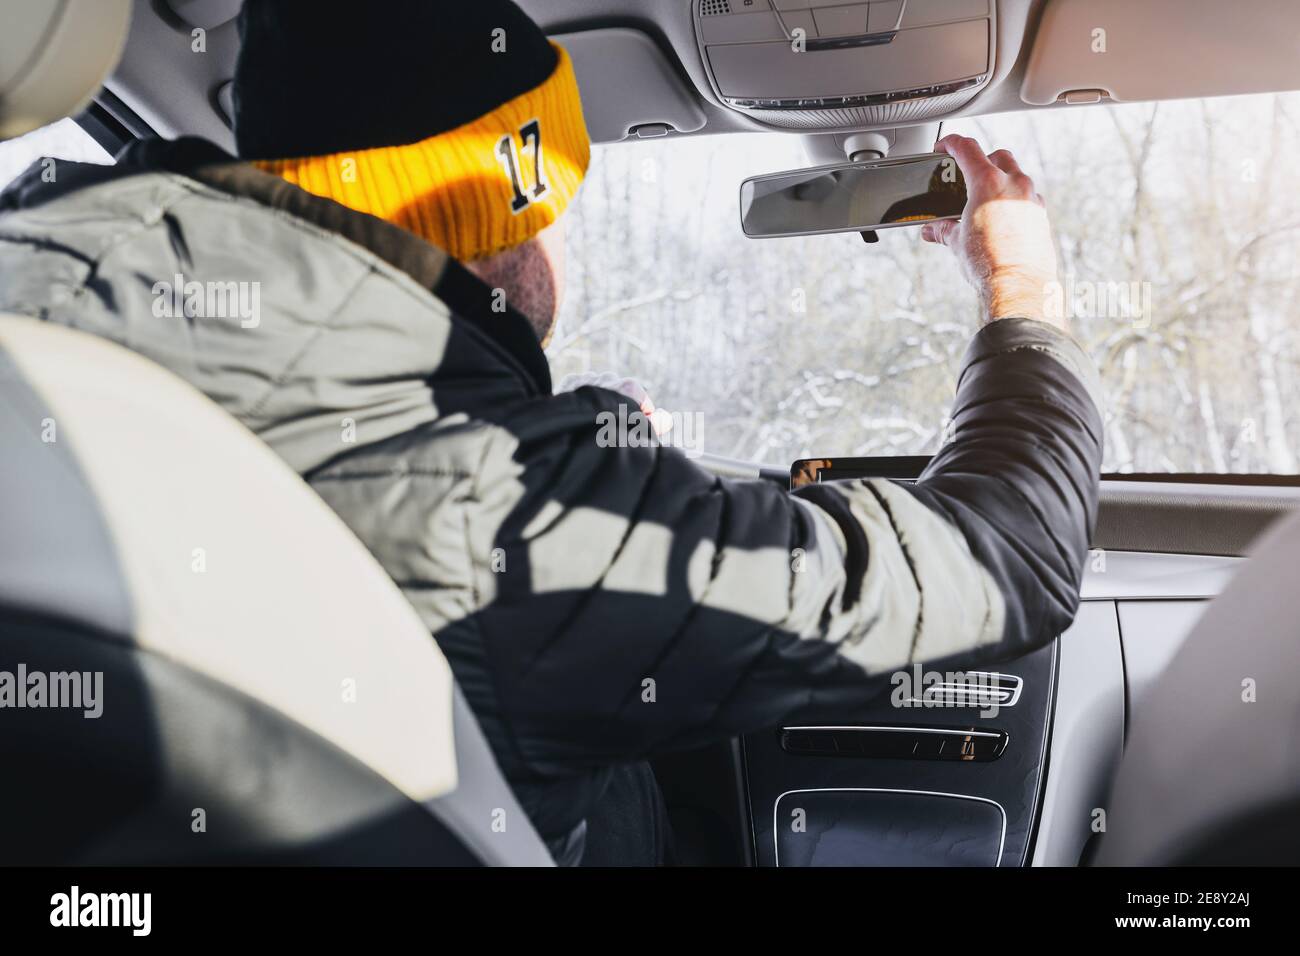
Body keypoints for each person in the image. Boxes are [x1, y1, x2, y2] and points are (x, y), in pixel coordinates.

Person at [0, 0, 1102, 866]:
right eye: (545, 214)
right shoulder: (507, 493)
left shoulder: (46, 352)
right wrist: (1024, 292)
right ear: (499, 222)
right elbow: (1002, 553)